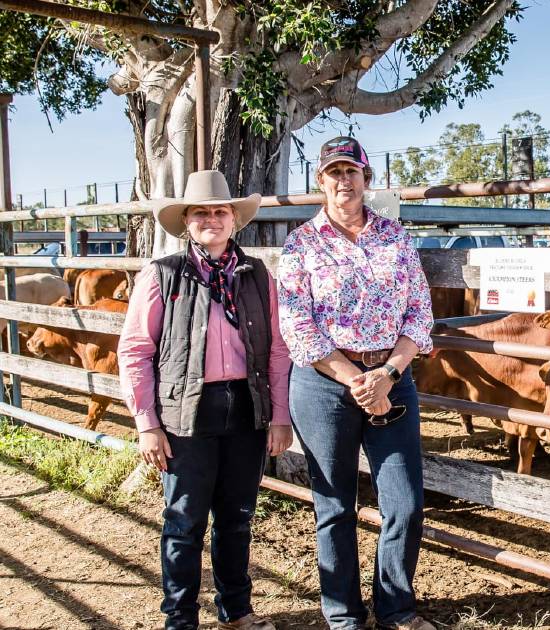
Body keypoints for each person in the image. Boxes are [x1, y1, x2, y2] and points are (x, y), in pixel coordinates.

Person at [117, 170, 294, 630]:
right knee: (184, 519)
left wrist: (279, 416)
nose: (211, 218)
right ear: (187, 222)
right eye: (201, 212)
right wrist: (147, 423)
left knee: (236, 516)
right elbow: (135, 348)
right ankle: (180, 618)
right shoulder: (164, 275)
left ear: (234, 219)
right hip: (184, 411)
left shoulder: (257, 276)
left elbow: (278, 348)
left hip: (245, 405)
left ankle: (236, 610)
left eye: (220, 211)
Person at [276, 136, 435, 630]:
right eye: (334, 172)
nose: (344, 180)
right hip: (325, 384)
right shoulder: (301, 243)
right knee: (334, 505)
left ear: (367, 179)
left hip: (391, 380)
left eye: (352, 171)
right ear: (321, 180)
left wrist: (387, 373)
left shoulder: (395, 237)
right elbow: (297, 323)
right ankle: (343, 615)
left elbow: (420, 313)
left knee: (405, 503)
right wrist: (356, 379)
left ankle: (395, 609)